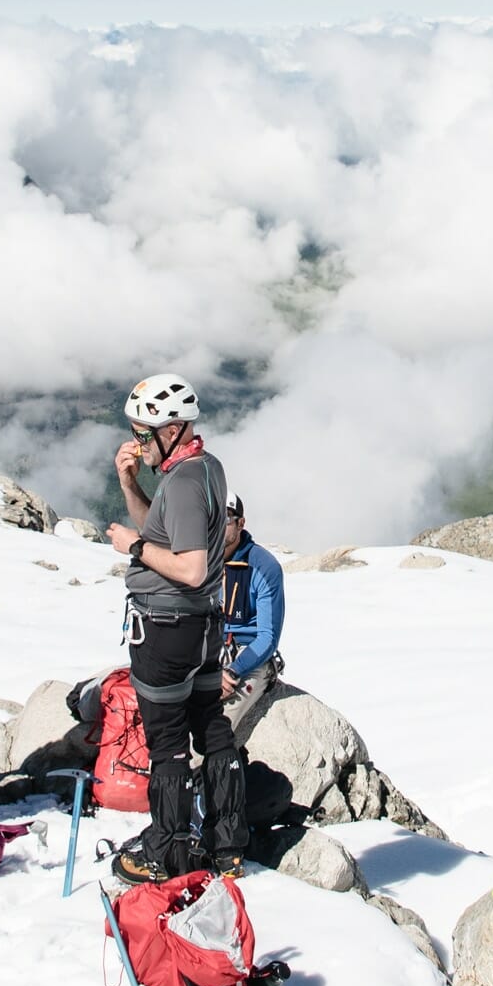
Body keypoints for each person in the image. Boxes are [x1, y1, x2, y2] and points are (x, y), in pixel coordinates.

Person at [106, 373, 244, 881]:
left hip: (167, 628)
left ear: (175, 428)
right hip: (204, 626)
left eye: (144, 433)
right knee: (211, 727)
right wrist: (129, 485)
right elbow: (161, 530)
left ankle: (165, 851)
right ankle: (228, 845)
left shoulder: (183, 482)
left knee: (167, 742)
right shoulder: (203, 468)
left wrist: (131, 547)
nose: (138, 442)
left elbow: (186, 565)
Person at [219, 495, 287, 727]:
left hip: (249, 658)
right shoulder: (199, 560)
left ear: (241, 523)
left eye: (226, 518)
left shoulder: (263, 566)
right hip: (210, 651)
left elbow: (267, 637)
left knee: (218, 720)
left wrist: (233, 670)